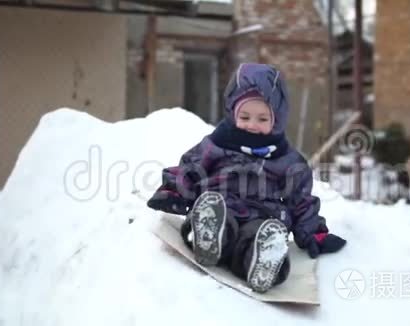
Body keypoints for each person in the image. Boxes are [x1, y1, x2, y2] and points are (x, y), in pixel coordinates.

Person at [147, 63, 346, 293]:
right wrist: (174, 191)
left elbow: (300, 200)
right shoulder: (218, 143)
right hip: (220, 204)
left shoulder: (286, 158)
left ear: (277, 119)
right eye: (245, 116)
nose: (252, 125)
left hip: (262, 217)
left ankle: (262, 261)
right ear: (233, 113)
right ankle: (209, 236)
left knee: (258, 237)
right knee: (211, 212)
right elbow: (191, 168)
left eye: (262, 119)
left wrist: (314, 233)